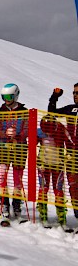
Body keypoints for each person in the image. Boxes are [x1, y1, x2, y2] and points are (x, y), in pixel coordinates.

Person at [0, 83, 28, 220]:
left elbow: (27, 129)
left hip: (19, 148)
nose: (6, 100)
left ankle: (16, 202)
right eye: (4, 97)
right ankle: (4, 202)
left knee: (17, 177)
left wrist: (18, 136)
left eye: (9, 96)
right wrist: (5, 134)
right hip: (3, 147)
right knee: (2, 175)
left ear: (15, 95)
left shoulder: (24, 111)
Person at [48, 84, 78, 220]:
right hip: (72, 156)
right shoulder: (71, 109)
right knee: (74, 189)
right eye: (74, 92)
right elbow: (52, 113)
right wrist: (54, 97)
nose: (75, 95)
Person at [37, 115, 73, 228]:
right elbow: (31, 144)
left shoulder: (61, 129)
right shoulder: (39, 132)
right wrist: (37, 161)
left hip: (58, 164)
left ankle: (62, 218)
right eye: (45, 131)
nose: (48, 134)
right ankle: (43, 216)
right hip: (43, 164)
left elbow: (69, 142)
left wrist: (69, 153)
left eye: (50, 131)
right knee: (43, 189)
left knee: (58, 190)